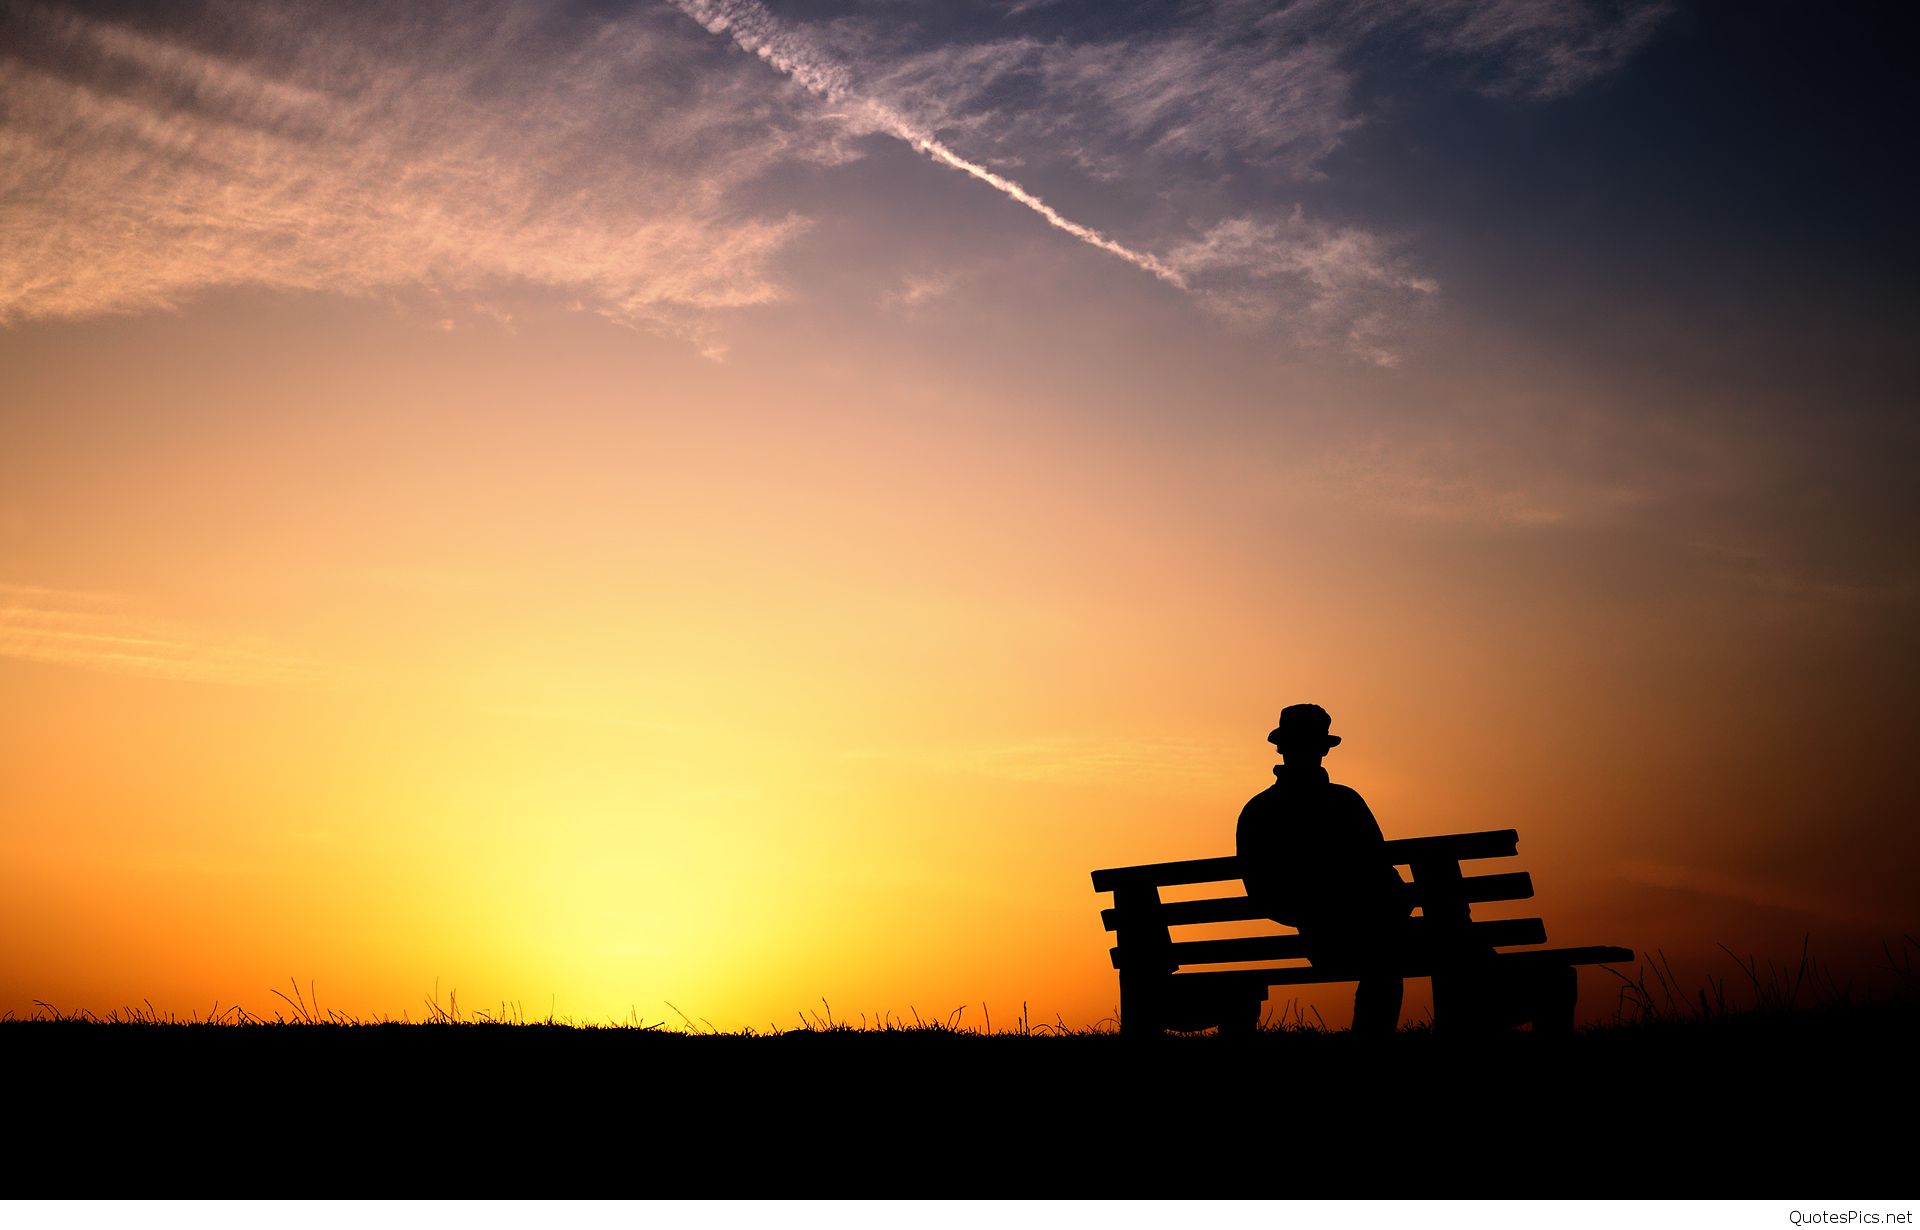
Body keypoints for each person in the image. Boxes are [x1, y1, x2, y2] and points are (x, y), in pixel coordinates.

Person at [1236, 703, 1411, 1034]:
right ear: (1324, 750)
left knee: (1389, 947)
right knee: (1406, 948)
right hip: (1364, 935)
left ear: (1280, 747)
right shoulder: (1346, 803)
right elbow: (1384, 874)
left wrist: (1307, 912)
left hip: (1314, 938)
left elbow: (1260, 893)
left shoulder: (1257, 811)